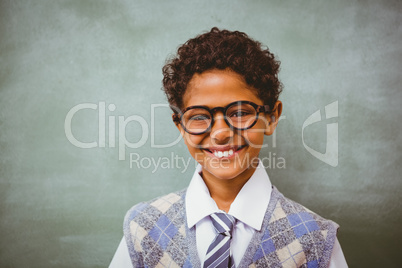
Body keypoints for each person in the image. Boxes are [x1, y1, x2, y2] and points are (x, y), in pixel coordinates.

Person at [109, 27, 347, 268]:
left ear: (272, 117)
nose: (221, 133)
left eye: (241, 113)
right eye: (199, 116)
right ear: (180, 125)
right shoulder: (145, 228)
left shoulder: (316, 239)